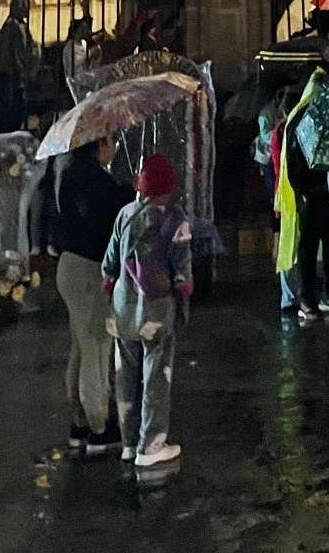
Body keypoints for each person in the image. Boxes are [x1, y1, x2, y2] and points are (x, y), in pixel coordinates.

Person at [101, 153, 192, 471]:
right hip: (156, 312)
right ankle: (151, 445)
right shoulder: (175, 218)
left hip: (123, 310)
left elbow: (109, 263)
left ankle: (128, 444)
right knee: (156, 377)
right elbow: (182, 271)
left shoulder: (125, 213)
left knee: (125, 377)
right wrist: (185, 294)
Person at [50, 135, 129, 456]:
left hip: (69, 266)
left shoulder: (66, 174)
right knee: (96, 348)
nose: (112, 147)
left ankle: (80, 423)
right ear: (98, 146)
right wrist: (126, 192)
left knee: (81, 349)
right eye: (109, 141)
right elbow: (101, 219)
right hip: (88, 270)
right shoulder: (92, 179)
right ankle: (99, 427)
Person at [275, 74, 329, 323]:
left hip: (316, 193)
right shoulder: (316, 119)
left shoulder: (300, 120)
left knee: (317, 245)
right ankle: (319, 296)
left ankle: (318, 296)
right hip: (321, 192)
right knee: (318, 244)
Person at [0, 0, 36, 130]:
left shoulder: (21, 25)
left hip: (19, 71)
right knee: (11, 107)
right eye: (23, 5)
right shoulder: (12, 25)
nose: (27, 9)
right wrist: (19, 70)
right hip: (11, 73)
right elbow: (12, 51)